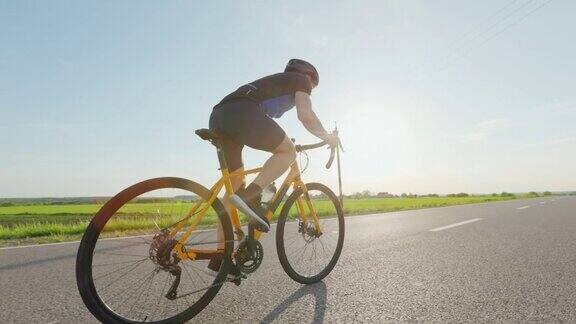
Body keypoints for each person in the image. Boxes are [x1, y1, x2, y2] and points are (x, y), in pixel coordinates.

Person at [208, 59, 338, 233]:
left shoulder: (278, 82)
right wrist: (327, 136)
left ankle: (223, 253)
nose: (310, 91)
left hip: (219, 116)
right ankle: (251, 196)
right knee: (288, 151)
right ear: (308, 76)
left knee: (235, 185)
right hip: (243, 112)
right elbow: (306, 115)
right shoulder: (301, 80)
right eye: (312, 88)